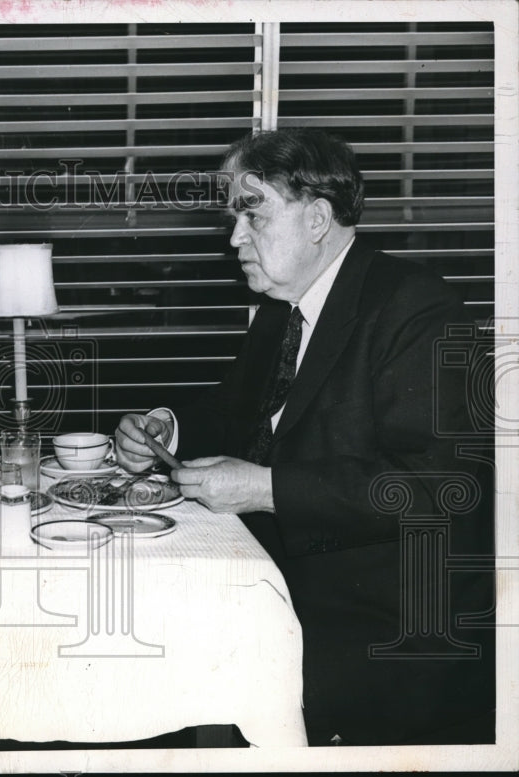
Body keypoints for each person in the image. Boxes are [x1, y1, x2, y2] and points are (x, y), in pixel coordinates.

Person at [115, 128, 494, 746]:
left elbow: (435, 487)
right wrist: (170, 426)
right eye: (233, 217)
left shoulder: (418, 309)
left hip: (391, 627)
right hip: (288, 583)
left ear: (317, 219)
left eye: (252, 212)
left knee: (185, 689)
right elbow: (239, 414)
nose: (235, 236)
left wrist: (265, 488)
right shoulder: (280, 311)